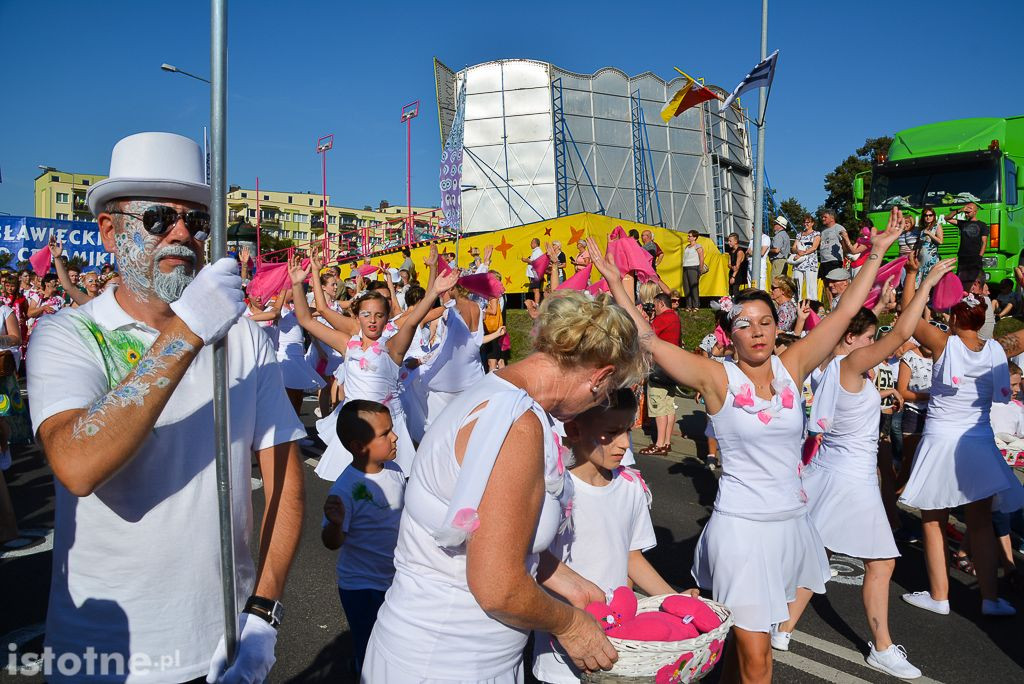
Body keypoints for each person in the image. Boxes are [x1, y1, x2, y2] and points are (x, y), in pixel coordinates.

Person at [27, 131, 307, 683]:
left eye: (196, 221)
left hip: (222, 642)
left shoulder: (245, 339)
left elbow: (285, 478)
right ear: (110, 231)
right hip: (105, 658)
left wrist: (263, 612)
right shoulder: (68, 335)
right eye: (158, 219)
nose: (182, 234)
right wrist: (189, 330)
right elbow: (76, 465)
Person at [589, 209, 905, 684]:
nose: (757, 331)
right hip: (741, 529)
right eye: (745, 324)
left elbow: (843, 314)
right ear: (730, 333)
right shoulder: (716, 378)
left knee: (742, 654)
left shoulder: (792, 366)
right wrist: (617, 282)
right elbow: (649, 339)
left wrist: (877, 252)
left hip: (791, 526)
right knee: (758, 659)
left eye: (765, 322)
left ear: (777, 327)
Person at [364, 291, 646, 682]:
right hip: (448, 660)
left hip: (446, 651)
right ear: (599, 377)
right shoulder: (517, 426)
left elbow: (502, 540)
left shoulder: (497, 392)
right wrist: (570, 624)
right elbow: (498, 586)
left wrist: (575, 587)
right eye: (607, 392)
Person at [774, 258, 952, 680]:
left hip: (828, 471)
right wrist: (926, 282)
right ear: (851, 339)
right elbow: (903, 333)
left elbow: (846, 408)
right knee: (882, 562)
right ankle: (882, 648)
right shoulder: (851, 364)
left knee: (818, 554)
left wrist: (879, 400)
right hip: (851, 479)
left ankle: (782, 629)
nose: (874, 344)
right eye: (869, 338)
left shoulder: (828, 366)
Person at [532, 389, 694, 684]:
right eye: (611, 432)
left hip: (618, 639)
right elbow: (533, 559)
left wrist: (673, 599)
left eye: (627, 431)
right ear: (574, 430)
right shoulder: (554, 490)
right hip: (562, 649)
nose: (624, 444)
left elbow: (632, 557)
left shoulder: (630, 487)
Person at [898, 251, 1024, 617]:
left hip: (941, 442)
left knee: (933, 520)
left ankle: (940, 596)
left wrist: (916, 277)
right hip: (979, 443)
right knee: (981, 524)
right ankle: (990, 599)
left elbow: (907, 317)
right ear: (984, 319)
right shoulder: (998, 350)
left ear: (954, 318)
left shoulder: (943, 343)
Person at [296, 245, 459, 480]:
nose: (372, 320)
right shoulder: (347, 344)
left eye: (379, 315)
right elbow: (306, 319)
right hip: (356, 424)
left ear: (386, 319)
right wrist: (301, 281)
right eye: (366, 315)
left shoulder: (392, 347)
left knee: (390, 485)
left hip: (386, 427)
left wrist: (434, 291)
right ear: (357, 317)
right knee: (351, 488)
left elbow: (414, 320)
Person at [321, 400, 405, 675]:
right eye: (385, 433)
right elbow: (332, 542)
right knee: (369, 645)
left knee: (394, 641)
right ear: (359, 447)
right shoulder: (345, 489)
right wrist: (335, 524)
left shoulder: (394, 470)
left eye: (392, 429)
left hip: (394, 577)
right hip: (362, 586)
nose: (395, 437)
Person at [641, 293, 681, 456]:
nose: (654, 308)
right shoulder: (675, 317)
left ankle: (659, 444)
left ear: (661, 304)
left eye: (655, 305)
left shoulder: (663, 318)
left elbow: (647, 335)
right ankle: (666, 442)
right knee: (669, 406)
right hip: (672, 367)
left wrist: (646, 320)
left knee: (659, 407)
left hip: (659, 368)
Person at [948, 202, 988, 289]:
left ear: (975, 212)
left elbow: (984, 242)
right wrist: (959, 210)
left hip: (975, 256)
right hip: (963, 256)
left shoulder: (982, 225)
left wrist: (980, 256)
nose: (966, 214)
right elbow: (947, 218)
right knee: (961, 279)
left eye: (968, 212)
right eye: (965, 212)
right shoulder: (963, 223)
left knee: (976, 279)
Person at [791, 217, 820, 300]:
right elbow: (793, 247)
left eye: (808, 222)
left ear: (812, 223)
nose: (805, 224)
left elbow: (814, 247)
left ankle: (812, 304)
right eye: (804, 222)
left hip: (810, 263)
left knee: (811, 286)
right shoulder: (799, 234)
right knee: (796, 284)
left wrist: (802, 253)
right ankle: (796, 302)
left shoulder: (816, 234)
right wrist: (797, 251)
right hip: (798, 263)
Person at [817, 209, 847, 283]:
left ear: (832, 218)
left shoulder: (838, 228)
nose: (823, 219)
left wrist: (845, 256)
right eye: (822, 217)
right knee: (825, 283)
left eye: (825, 217)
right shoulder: (823, 231)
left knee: (834, 282)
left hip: (834, 261)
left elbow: (844, 243)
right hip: (824, 261)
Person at [916, 205, 943, 284]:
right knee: (920, 283)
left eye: (930, 215)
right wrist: (916, 255)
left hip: (931, 260)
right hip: (921, 260)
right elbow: (920, 244)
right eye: (926, 215)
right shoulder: (922, 229)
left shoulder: (937, 226)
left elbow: (940, 241)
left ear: (934, 216)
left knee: (930, 281)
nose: (928, 217)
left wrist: (929, 234)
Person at [682, 230, 705, 311]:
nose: (688, 237)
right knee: (686, 287)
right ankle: (688, 305)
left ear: (695, 237)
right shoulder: (687, 247)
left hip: (693, 267)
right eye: (688, 236)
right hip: (685, 267)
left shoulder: (698, 246)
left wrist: (700, 269)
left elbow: (701, 258)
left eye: (690, 236)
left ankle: (696, 305)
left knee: (694, 287)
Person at [523, 237, 544, 303]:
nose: (530, 244)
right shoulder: (535, 251)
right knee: (535, 290)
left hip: (535, 273)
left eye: (532, 243)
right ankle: (537, 304)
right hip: (534, 273)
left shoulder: (538, 251)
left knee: (536, 290)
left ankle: (537, 304)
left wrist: (526, 260)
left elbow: (535, 262)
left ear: (535, 244)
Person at [726, 233, 747, 297]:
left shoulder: (739, 251)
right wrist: (732, 267)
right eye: (728, 241)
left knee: (735, 292)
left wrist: (733, 277)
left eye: (730, 241)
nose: (728, 242)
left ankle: (737, 302)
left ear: (735, 241)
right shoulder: (731, 251)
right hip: (732, 272)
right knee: (730, 292)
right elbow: (729, 264)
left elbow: (737, 266)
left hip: (737, 274)